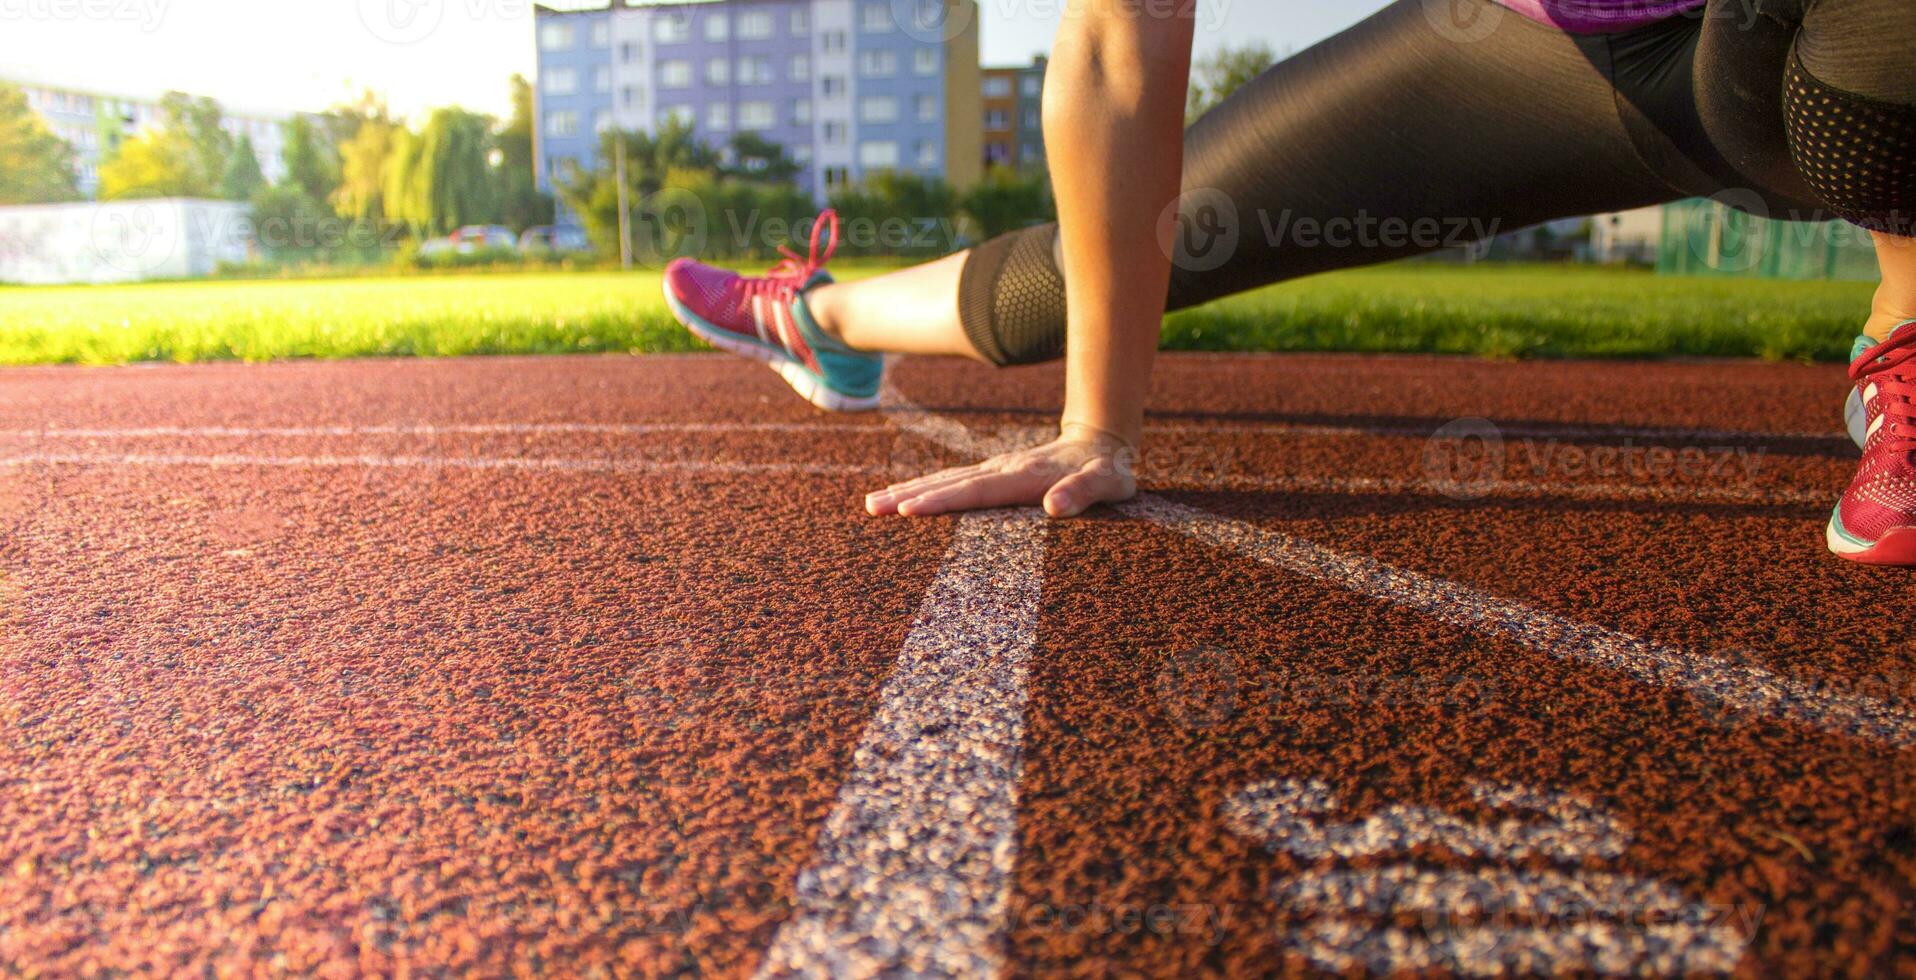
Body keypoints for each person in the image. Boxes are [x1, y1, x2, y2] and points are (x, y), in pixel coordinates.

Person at [660, 0, 1916, 565]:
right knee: (1098, 269)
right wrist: (1097, 425)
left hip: (1824, 46)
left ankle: (1902, 339)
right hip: (1556, 52)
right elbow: (1112, 45)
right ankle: (819, 317)